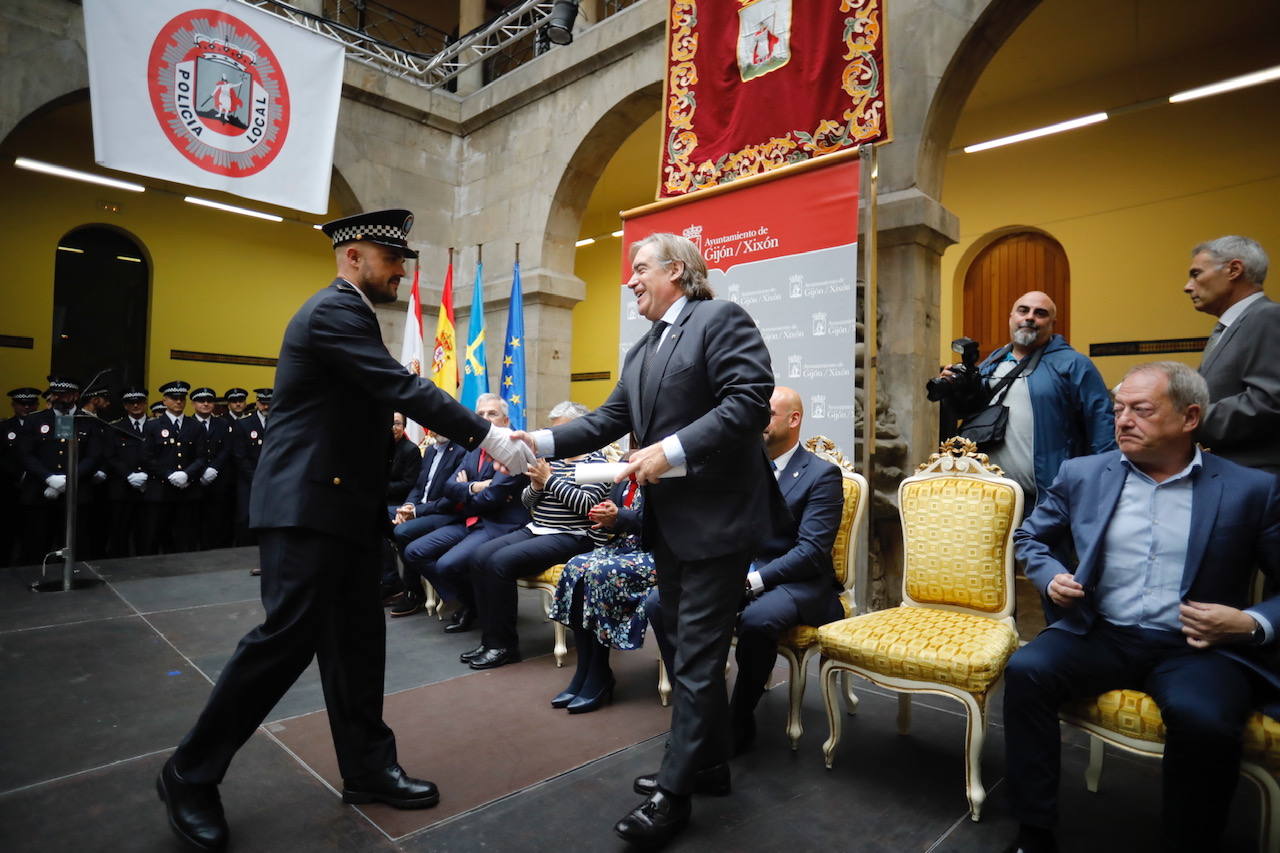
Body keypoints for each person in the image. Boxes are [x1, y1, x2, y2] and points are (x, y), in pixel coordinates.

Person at [156, 208, 534, 853]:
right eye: (392, 261)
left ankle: (365, 768)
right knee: (284, 641)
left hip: (346, 511)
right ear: (354, 256)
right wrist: (491, 437)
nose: (398, 273)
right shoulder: (333, 311)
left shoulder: (352, 314)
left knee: (358, 643)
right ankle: (189, 773)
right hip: (308, 508)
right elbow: (398, 386)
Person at [512, 231, 777, 846]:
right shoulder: (643, 350)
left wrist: (671, 449)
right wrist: (540, 442)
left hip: (717, 524)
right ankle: (707, 765)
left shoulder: (719, 319)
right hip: (671, 526)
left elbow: (749, 401)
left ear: (677, 272)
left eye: (639, 269)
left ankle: (674, 794)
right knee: (687, 652)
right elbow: (608, 421)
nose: (629, 280)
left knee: (698, 658)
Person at [1000, 361, 1280, 853]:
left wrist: (1250, 622)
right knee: (1025, 671)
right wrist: (1050, 577)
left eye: (1141, 410)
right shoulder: (1084, 473)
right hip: (1100, 632)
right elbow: (1030, 537)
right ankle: (1033, 830)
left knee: (1206, 719)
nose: (1123, 420)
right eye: (1118, 409)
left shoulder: (1249, 491)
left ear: (1189, 417)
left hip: (1194, 647)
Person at [645, 385, 845, 756]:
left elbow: (811, 552)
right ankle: (701, 713)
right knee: (660, 602)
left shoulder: (822, 475)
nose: (757, 422)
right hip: (737, 571)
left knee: (758, 620)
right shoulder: (742, 467)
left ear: (793, 419)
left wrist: (751, 582)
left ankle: (738, 721)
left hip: (795, 582)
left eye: (766, 414)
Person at [462, 401, 609, 671]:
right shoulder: (551, 461)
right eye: (556, 432)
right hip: (537, 528)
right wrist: (536, 485)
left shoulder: (596, 462)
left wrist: (550, 481)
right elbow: (529, 503)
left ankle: (504, 646)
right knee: (479, 556)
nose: (559, 440)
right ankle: (490, 638)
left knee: (500, 563)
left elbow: (589, 508)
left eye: (564, 432)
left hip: (572, 535)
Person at [942, 291, 1115, 505]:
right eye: (1023, 311)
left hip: (1047, 502)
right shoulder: (991, 364)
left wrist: (1107, 487)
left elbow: (1102, 428)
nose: (1030, 317)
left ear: (1052, 323)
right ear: (1011, 317)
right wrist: (953, 389)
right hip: (986, 499)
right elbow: (968, 414)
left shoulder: (1074, 365)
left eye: (1040, 313)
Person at [390, 394, 529, 623]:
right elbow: (449, 486)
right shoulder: (474, 449)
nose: (485, 419)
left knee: (447, 564)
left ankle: (475, 609)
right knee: (414, 551)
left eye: (492, 413)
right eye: (480, 415)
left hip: (497, 525)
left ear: (506, 421)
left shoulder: (513, 449)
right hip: (469, 520)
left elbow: (492, 497)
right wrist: (474, 487)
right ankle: (469, 603)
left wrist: (465, 489)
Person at [548, 466, 655, 713]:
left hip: (657, 552)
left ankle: (599, 671)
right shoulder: (624, 465)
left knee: (602, 572)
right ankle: (584, 670)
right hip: (625, 547)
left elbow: (662, 523)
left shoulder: (668, 468)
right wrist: (606, 520)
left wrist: (620, 517)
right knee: (576, 566)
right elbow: (617, 520)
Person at [1184, 235, 1280, 474]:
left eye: (1196, 274)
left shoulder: (1267, 317)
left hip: (1258, 477)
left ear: (1234, 269)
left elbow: (1269, 402)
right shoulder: (1234, 325)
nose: (1187, 286)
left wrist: (1184, 419)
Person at [17, 376, 100, 564]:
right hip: (40, 492)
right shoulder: (35, 420)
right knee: (36, 544)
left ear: (75, 396)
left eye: (65, 395)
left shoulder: (88, 421)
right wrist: (48, 478)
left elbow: (93, 456)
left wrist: (68, 479)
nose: (59, 399)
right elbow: (26, 454)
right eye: (56, 394)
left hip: (76, 493)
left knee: (76, 545)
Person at [384, 430, 465, 603]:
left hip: (445, 513)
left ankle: (413, 589)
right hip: (420, 507)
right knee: (378, 515)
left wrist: (414, 513)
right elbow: (418, 487)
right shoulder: (429, 451)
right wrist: (408, 506)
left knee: (403, 531)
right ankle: (391, 582)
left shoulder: (461, 451)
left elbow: (450, 500)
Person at [140, 380, 206, 555]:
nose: (178, 401)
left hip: (187, 491)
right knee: (155, 536)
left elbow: (201, 457)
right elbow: (147, 457)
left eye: (182, 398)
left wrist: (187, 474)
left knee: (184, 538)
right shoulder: (153, 425)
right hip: (160, 490)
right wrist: (169, 475)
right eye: (174, 398)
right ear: (164, 401)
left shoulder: (195, 426)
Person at [106, 386, 149, 558]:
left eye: (139, 401)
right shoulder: (115, 427)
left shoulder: (156, 425)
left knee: (146, 533)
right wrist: (129, 475)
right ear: (125, 405)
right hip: (122, 487)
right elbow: (110, 455)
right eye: (131, 402)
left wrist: (146, 474)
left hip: (148, 487)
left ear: (145, 403)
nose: (136, 405)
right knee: (120, 533)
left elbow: (161, 455)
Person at [191, 387, 234, 550]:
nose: (206, 404)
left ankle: (214, 548)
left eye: (209, 401)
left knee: (217, 517)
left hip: (218, 477)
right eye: (201, 401)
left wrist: (214, 468)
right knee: (194, 516)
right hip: (195, 478)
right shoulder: (187, 423)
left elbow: (227, 448)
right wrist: (200, 471)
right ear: (194, 403)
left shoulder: (222, 423)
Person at [2, 387, 41, 566]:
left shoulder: (45, 426)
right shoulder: (4, 427)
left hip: (37, 487)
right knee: (7, 532)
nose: (26, 408)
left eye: (30, 404)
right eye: (22, 404)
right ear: (13, 405)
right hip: (10, 486)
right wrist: (19, 474)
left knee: (33, 532)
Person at [231, 394, 269, 549]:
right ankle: (243, 551)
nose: (265, 406)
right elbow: (240, 455)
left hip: (272, 478)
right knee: (245, 517)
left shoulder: (280, 423)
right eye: (262, 403)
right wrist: (255, 478)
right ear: (257, 402)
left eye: (269, 403)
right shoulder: (244, 423)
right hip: (249, 479)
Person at [387, 412, 421, 507]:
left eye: (397, 423)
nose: (393, 427)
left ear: (404, 426)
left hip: (398, 501)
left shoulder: (412, 450)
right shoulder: (382, 446)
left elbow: (408, 484)